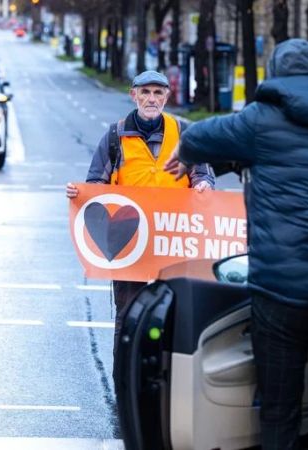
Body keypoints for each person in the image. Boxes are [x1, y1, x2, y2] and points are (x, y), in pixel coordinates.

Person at [165, 39, 308, 450]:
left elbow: (203, 136)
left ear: (275, 73)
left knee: (280, 405)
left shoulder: (260, 120)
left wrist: (185, 152)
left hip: (282, 288)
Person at [65, 70, 215, 353]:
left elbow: (204, 174)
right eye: (145, 92)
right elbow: (97, 184)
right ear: (133, 95)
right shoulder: (115, 136)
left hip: (174, 242)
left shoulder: (184, 133)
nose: (151, 99)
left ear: (167, 98)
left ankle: (167, 383)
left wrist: (204, 185)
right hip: (130, 244)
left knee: (175, 313)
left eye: (158, 93)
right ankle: (124, 384)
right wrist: (81, 194)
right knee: (129, 316)